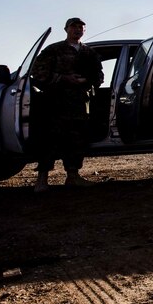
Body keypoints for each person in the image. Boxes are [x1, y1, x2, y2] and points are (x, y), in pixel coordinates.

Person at [31, 17, 104, 192]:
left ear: (84, 31)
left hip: (79, 103)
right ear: (66, 30)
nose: (77, 30)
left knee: (76, 140)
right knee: (49, 140)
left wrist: (86, 80)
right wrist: (63, 78)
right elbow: (38, 72)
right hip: (56, 103)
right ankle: (42, 180)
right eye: (74, 27)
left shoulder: (89, 53)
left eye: (81, 27)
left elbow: (99, 76)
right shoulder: (54, 50)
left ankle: (73, 176)